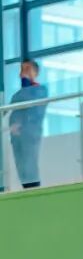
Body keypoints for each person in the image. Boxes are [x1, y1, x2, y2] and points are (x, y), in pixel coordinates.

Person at [7, 58, 47, 190]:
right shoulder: (17, 95)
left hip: (29, 134)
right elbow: (9, 111)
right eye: (22, 70)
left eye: (27, 69)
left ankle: (34, 192)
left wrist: (21, 125)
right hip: (16, 136)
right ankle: (26, 190)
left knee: (30, 165)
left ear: (35, 72)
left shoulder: (40, 90)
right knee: (21, 167)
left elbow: (35, 109)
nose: (23, 73)